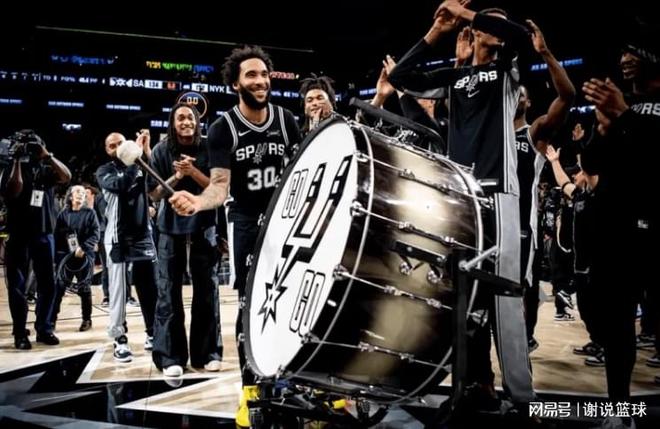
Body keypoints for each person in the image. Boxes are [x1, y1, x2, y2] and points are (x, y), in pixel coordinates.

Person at [388, 0, 534, 405]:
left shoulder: (508, 72)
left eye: (497, 24)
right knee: (462, 296)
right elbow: (401, 77)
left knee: (504, 301)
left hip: (498, 192)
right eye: (490, 24)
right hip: (460, 194)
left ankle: (523, 398)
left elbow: (521, 37)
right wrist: (437, 30)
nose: (496, 29)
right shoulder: (456, 77)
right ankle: (474, 383)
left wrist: (468, 15)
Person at [168, 45, 301, 427]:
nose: (260, 81)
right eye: (251, 75)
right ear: (235, 84)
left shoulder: (286, 120)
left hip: (286, 218)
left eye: (264, 74)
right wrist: (198, 202)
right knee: (251, 306)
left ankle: (293, 381)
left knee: (294, 300)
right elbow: (220, 186)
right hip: (245, 221)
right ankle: (251, 390)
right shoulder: (222, 128)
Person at [581, 29, 659, 407]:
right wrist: (602, 130)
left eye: (634, 52)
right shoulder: (620, 104)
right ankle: (619, 409)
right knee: (616, 325)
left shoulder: (632, 107)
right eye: (623, 53)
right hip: (616, 227)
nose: (625, 59)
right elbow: (592, 163)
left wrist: (624, 116)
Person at [511, 18, 576, 349]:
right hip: (491, 221)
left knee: (525, 286)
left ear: (527, 102)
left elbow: (567, 95)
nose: (516, 96)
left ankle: (527, 338)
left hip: (523, 225)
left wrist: (545, 53)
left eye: (521, 94)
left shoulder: (533, 132)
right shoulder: (489, 133)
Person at [149, 102, 221, 377]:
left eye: (190, 117)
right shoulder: (161, 150)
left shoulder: (210, 147)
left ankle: (208, 353)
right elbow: (155, 194)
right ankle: (170, 357)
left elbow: (218, 188)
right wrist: (178, 176)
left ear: (197, 121)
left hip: (204, 224)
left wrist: (193, 172)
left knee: (207, 290)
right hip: (170, 226)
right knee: (168, 291)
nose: (186, 121)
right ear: (173, 122)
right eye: (180, 117)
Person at [1, 130, 71, 349]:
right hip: (18, 233)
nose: (30, 149)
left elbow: (66, 177)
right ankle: (20, 332)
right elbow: (13, 191)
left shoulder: (46, 168)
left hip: (44, 233)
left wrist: (47, 155)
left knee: (48, 284)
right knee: (18, 286)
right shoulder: (9, 168)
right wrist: (16, 160)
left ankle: (44, 328)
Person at [95, 130, 158, 363]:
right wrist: (135, 158)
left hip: (143, 236)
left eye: (120, 143)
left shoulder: (140, 164)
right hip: (118, 237)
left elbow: (154, 185)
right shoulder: (104, 171)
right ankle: (119, 339)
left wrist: (147, 152)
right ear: (107, 150)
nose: (117, 147)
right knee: (119, 292)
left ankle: (153, 333)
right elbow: (121, 185)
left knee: (149, 289)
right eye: (112, 145)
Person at [51, 184, 100, 331]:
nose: (81, 194)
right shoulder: (63, 214)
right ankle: (51, 320)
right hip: (67, 257)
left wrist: (83, 248)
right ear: (71, 196)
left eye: (83, 192)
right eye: (77, 191)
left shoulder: (90, 213)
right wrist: (58, 257)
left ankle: (87, 319)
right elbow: (57, 236)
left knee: (84, 289)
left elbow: (95, 233)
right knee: (59, 288)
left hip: (84, 256)